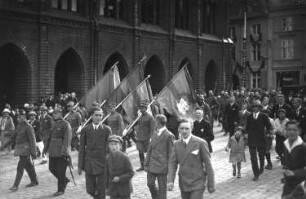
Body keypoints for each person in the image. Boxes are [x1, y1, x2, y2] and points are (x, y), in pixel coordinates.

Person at [167, 118, 215, 199]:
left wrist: (211, 184)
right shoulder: (176, 144)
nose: (184, 131)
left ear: (192, 129)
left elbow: (208, 164)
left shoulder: (200, 143)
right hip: (183, 182)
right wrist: (170, 180)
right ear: (178, 130)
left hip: (198, 182)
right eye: (182, 128)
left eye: (187, 128)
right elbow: (172, 163)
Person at [0, 110, 38, 191]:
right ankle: (34, 181)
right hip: (20, 150)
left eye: (19, 117)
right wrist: (3, 146)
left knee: (20, 167)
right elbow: (13, 138)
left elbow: (33, 140)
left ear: (23, 117)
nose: (17, 118)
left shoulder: (28, 127)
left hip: (25, 150)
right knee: (28, 166)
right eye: (18, 117)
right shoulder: (19, 126)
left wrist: (34, 153)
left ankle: (15, 185)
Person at [78, 107, 112, 199]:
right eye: (96, 115)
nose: (98, 117)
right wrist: (80, 166)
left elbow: (110, 149)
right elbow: (81, 149)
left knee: (101, 189)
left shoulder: (106, 130)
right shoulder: (85, 130)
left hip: (102, 162)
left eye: (100, 115)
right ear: (91, 116)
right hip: (89, 162)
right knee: (90, 189)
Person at [43, 107, 72, 197]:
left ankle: (61, 189)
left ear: (61, 114)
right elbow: (49, 138)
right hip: (53, 151)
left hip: (61, 152)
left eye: (56, 113)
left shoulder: (65, 124)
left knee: (60, 172)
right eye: (53, 113)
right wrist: (45, 149)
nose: (54, 115)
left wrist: (65, 152)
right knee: (51, 168)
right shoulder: (54, 124)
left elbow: (67, 139)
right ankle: (65, 180)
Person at [144, 114, 175, 199]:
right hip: (152, 165)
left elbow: (171, 154)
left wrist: (170, 169)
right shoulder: (154, 133)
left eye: (155, 121)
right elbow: (149, 149)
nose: (154, 123)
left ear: (158, 123)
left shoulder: (169, 135)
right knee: (150, 184)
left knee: (162, 189)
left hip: (162, 167)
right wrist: (146, 163)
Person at [245, 100, 272, 181]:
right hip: (252, 139)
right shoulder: (249, 117)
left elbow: (269, 126)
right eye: (254, 107)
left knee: (261, 156)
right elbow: (247, 128)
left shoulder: (264, 116)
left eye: (257, 107)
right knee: (253, 157)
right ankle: (256, 174)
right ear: (252, 108)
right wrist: (245, 134)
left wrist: (269, 133)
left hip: (261, 139)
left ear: (260, 108)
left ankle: (262, 167)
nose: (255, 108)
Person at [281, 120, 306, 198]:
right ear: (286, 131)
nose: (291, 132)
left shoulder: (303, 147)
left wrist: (295, 173)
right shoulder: (285, 144)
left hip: (301, 184)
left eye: (294, 130)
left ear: (299, 131)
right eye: (289, 129)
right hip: (289, 182)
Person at [106, 135, 134, 199]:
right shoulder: (107, 158)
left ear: (120, 146)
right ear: (108, 146)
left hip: (124, 188)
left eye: (116, 144)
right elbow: (106, 174)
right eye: (111, 144)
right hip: (113, 189)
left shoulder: (125, 158)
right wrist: (106, 187)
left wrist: (120, 178)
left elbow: (131, 173)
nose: (113, 147)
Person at [135, 101, 155, 172]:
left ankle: (150, 165)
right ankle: (142, 165)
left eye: (143, 108)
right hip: (140, 137)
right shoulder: (139, 117)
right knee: (140, 151)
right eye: (140, 108)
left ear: (146, 108)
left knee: (149, 152)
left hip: (147, 137)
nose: (141, 109)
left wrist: (151, 137)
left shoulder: (150, 118)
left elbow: (152, 129)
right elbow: (135, 124)